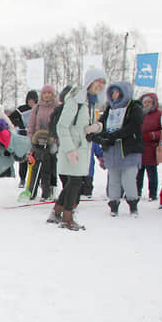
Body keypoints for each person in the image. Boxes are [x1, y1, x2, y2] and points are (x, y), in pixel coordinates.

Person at [47, 68, 107, 230]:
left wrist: (96, 126)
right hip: (73, 149)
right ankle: (67, 217)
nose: (100, 85)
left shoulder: (91, 102)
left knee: (74, 183)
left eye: (103, 82)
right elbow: (62, 126)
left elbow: (91, 123)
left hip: (83, 148)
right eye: (98, 81)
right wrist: (70, 150)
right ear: (90, 81)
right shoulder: (76, 101)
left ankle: (57, 212)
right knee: (74, 183)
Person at [93, 81, 144, 217]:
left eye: (117, 92)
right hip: (112, 151)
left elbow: (133, 125)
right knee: (113, 180)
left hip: (129, 150)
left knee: (128, 179)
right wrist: (97, 134)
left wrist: (114, 135)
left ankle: (133, 205)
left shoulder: (134, 107)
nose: (114, 95)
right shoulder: (110, 108)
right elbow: (102, 124)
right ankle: (113, 204)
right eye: (112, 92)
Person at [27, 85, 60, 200]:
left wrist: (55, 139)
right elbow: (31, 124)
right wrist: (31, 138)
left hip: (51, 142)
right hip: (37, 140)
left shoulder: (57, 107)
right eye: (45, 93)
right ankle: (31, 191)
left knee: (48, 167)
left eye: (49, 93)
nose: (47, 95)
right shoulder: (37, 107)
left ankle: (47, 191)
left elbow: (59, 125)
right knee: (35, 166)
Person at [9, 90, 39, 187]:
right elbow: (10, 118)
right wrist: (19, 124)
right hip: (23, 136)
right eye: (29, 100)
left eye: (33, 100)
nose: (31, 102)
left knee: (35, 158)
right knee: (24, 159)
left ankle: (36, 179)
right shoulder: (21, 109)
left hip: (36, 136)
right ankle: (22, 179)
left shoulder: (39, 108)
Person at [137, 93, 162, 201]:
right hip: (138, 147)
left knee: (151, 173)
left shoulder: (159, 114)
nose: (146, 104)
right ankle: (137, 192)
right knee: (138, 172)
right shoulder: (138, 113)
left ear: (154, 103)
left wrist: (151, 135)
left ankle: (153, 194)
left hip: (151, 148)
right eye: (145, 102)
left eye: (149, 102)